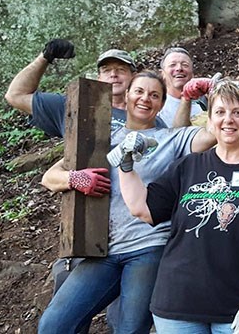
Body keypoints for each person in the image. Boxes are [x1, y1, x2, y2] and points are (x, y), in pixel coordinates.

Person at [36, 72, 216, 333]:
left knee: (130, 329)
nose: (146, 99)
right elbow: (49, 177)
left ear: (162, 103)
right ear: (127, 96)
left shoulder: (173, 139)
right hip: (103, 251)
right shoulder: (101, 138)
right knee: (54, 324)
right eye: (140, 91)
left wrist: (213, 91)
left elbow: (212, 134)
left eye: (155, 95)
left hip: (150, 247)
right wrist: (74, 178)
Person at [119, 80, 239, 333]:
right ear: (209, 120)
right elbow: (143, 208)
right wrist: (126, 167)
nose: (228, 120)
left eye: (237, 112)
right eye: (220, 112)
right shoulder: (188, 166)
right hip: (178, 306)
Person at [5, 40, 141, 137]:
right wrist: (45, 56)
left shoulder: (151, 109)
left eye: (121, 69)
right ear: (98, 78)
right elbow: (15, 95)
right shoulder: (74, 107)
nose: (113, 74)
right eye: (106, 70)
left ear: (134, 76)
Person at [158, 47, 206, 127]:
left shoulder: (201, 106)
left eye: (185, 65)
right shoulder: (156, 105)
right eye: (172, 65)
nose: (179, 68)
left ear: (192, 74)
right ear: (162, 74)